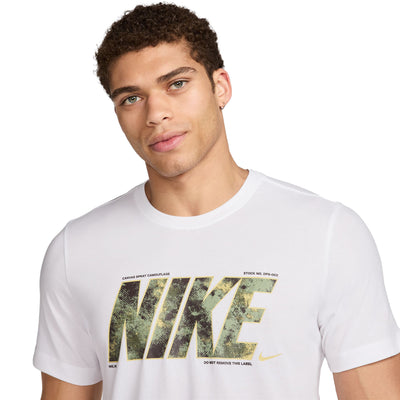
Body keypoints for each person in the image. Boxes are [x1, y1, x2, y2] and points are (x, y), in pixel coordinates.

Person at [33, 3, 400, 399]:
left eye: (177, 84)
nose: (156, 113)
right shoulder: (77, 249)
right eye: (132, 98)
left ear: (220, 87)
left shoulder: (327, 233)